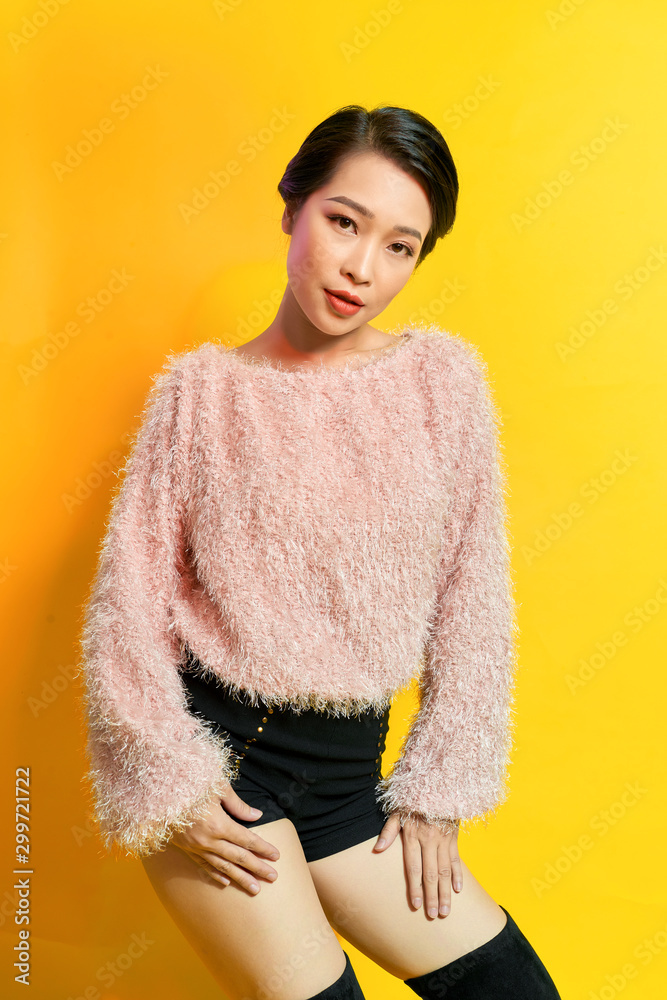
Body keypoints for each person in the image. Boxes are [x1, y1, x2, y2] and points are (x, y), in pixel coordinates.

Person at [77, 105, 562, 1000]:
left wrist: (440, 784)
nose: (360, 268)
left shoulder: (441, 383)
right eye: (343, 221)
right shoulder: (199, 396)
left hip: (348, 782)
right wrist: (168, 775)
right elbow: (125, 609)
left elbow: (474, 593)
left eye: (399, 247)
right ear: (291, 208)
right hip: (221, 774)